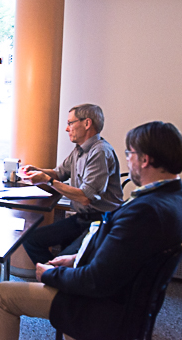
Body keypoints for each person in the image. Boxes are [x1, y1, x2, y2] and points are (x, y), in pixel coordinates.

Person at [0, 121, 182, 340]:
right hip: (126, 301)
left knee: (1, 295)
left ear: (145, 160)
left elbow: (95, 280)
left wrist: (49, 275)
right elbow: (125, 256)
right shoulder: (174, 199)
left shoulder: (146, 212)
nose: (127, 159)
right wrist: (75, 259)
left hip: (103, 308)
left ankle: (76, 333)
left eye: (129, 153)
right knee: (41, 242)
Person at [21, 104, 123, 265]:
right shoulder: (79, 150)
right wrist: (36, 170)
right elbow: (59, 173)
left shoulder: (100, 152)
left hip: (101, 221)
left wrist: (47, 180)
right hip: (82, 218)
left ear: (87, 123)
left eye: (70, 123)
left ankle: (58, 277)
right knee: (31, 239)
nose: (67, 129)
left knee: (64, 262)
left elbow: (85, 198)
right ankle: (55, 278)